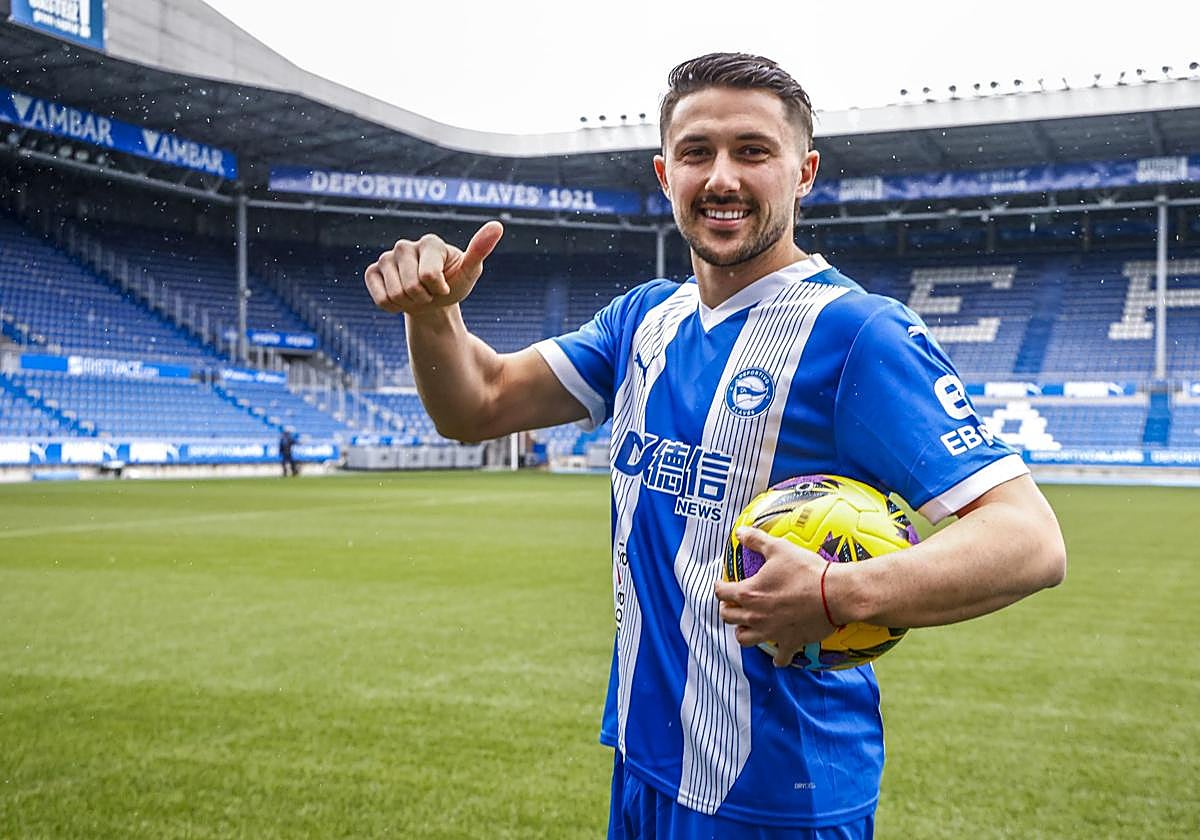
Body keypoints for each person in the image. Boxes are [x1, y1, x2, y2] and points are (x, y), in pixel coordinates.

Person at [364, 52, 1066, 839]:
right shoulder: (644, 321)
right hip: (642, 764)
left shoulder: (857, 333)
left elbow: (1029, 541)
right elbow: (478, 405)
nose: (722, 177)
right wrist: (433, 314)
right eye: (697, 153)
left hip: (778, 795)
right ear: (665, 174)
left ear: (803, 173)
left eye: (753, 151)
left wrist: (840, 596)